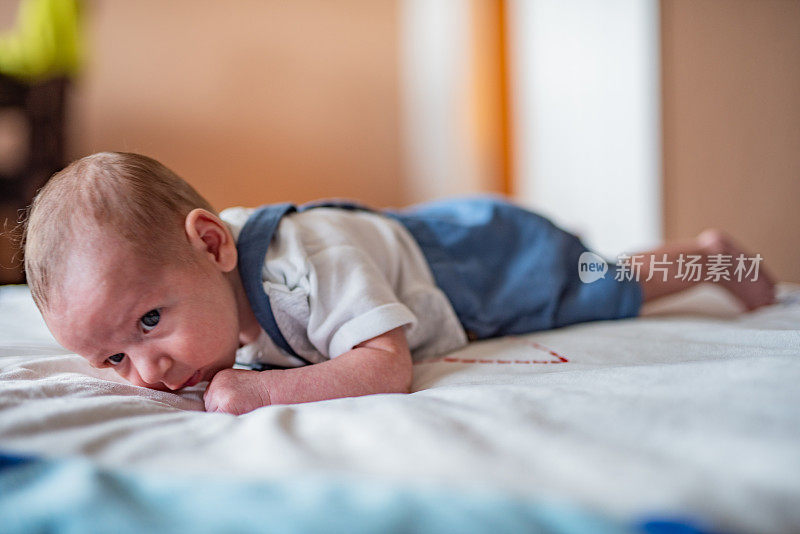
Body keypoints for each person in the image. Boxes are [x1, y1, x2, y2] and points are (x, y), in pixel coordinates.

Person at [22, 152, 776, 415]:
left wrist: (262, 391)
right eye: (114, 360)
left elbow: (386, 363)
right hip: (427, 245)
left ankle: (714, 259)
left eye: (148, 322)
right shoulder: (200, 278)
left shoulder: (301, 268)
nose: (149, 372)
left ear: (213, 242)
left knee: (609, 281)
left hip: (494, 261)